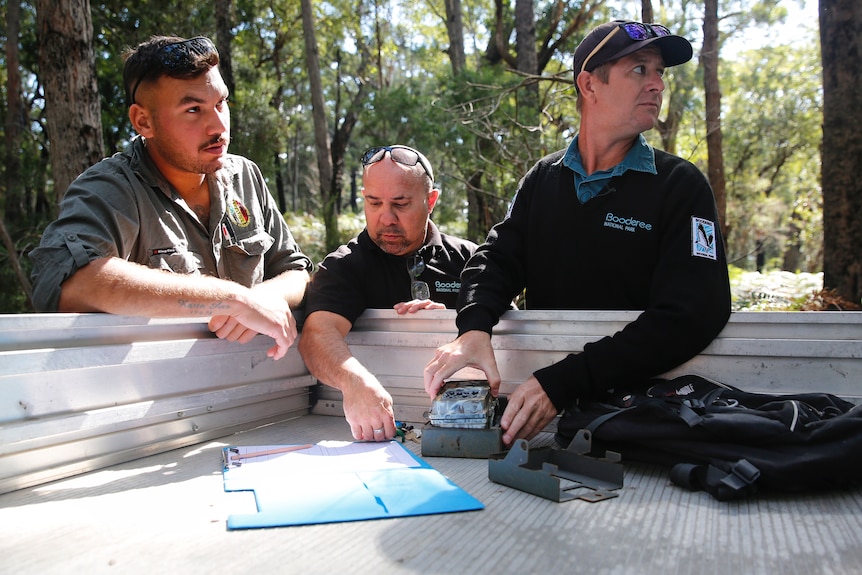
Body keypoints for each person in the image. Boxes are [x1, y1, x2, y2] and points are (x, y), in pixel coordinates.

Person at [424, 20, 732, 447]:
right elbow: (496, 258)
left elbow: (694, 313)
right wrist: (473, 328)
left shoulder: (680, 185)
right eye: (640, 69)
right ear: (590, 84)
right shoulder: (544, 179)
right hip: (549, 430)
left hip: (645, 423)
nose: (658, 85)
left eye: (660, 72)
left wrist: (565, 381)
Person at [29, 36, 312, 360]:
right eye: (193, 110)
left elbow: (296, 271)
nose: (218, 126)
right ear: (143, 121)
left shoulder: (244, 175)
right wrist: (232, 299)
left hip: (252, 390)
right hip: (151, 398)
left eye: (221, 103)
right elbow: (71, 283)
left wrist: (265, 297)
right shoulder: (111, 188)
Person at [299, 145, 478, 442]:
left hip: (467, 423)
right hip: (372, 432)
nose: (386, 218)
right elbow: (316, 336)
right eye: (374, 203)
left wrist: (454, 324)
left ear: (430, 201)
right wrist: (354, 382)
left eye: (400, 204)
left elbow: (509, 336)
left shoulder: (469, 259)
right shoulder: (346, 265)